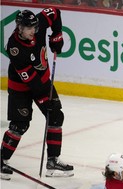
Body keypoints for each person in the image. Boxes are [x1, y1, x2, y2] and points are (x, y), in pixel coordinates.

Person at [1, 8, 74, 180]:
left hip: (42, 83)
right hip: (21, 88)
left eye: (35, 27)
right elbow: (30, 78)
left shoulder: (38, 25)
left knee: (55, 116)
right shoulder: (14, 47)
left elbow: (55, 12)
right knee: (20, 125)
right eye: (29, 28)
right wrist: (44, 96)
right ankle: (1, 159)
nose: (34, 31)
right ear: (20, 28)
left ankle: (52, 161)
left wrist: (57, 35)